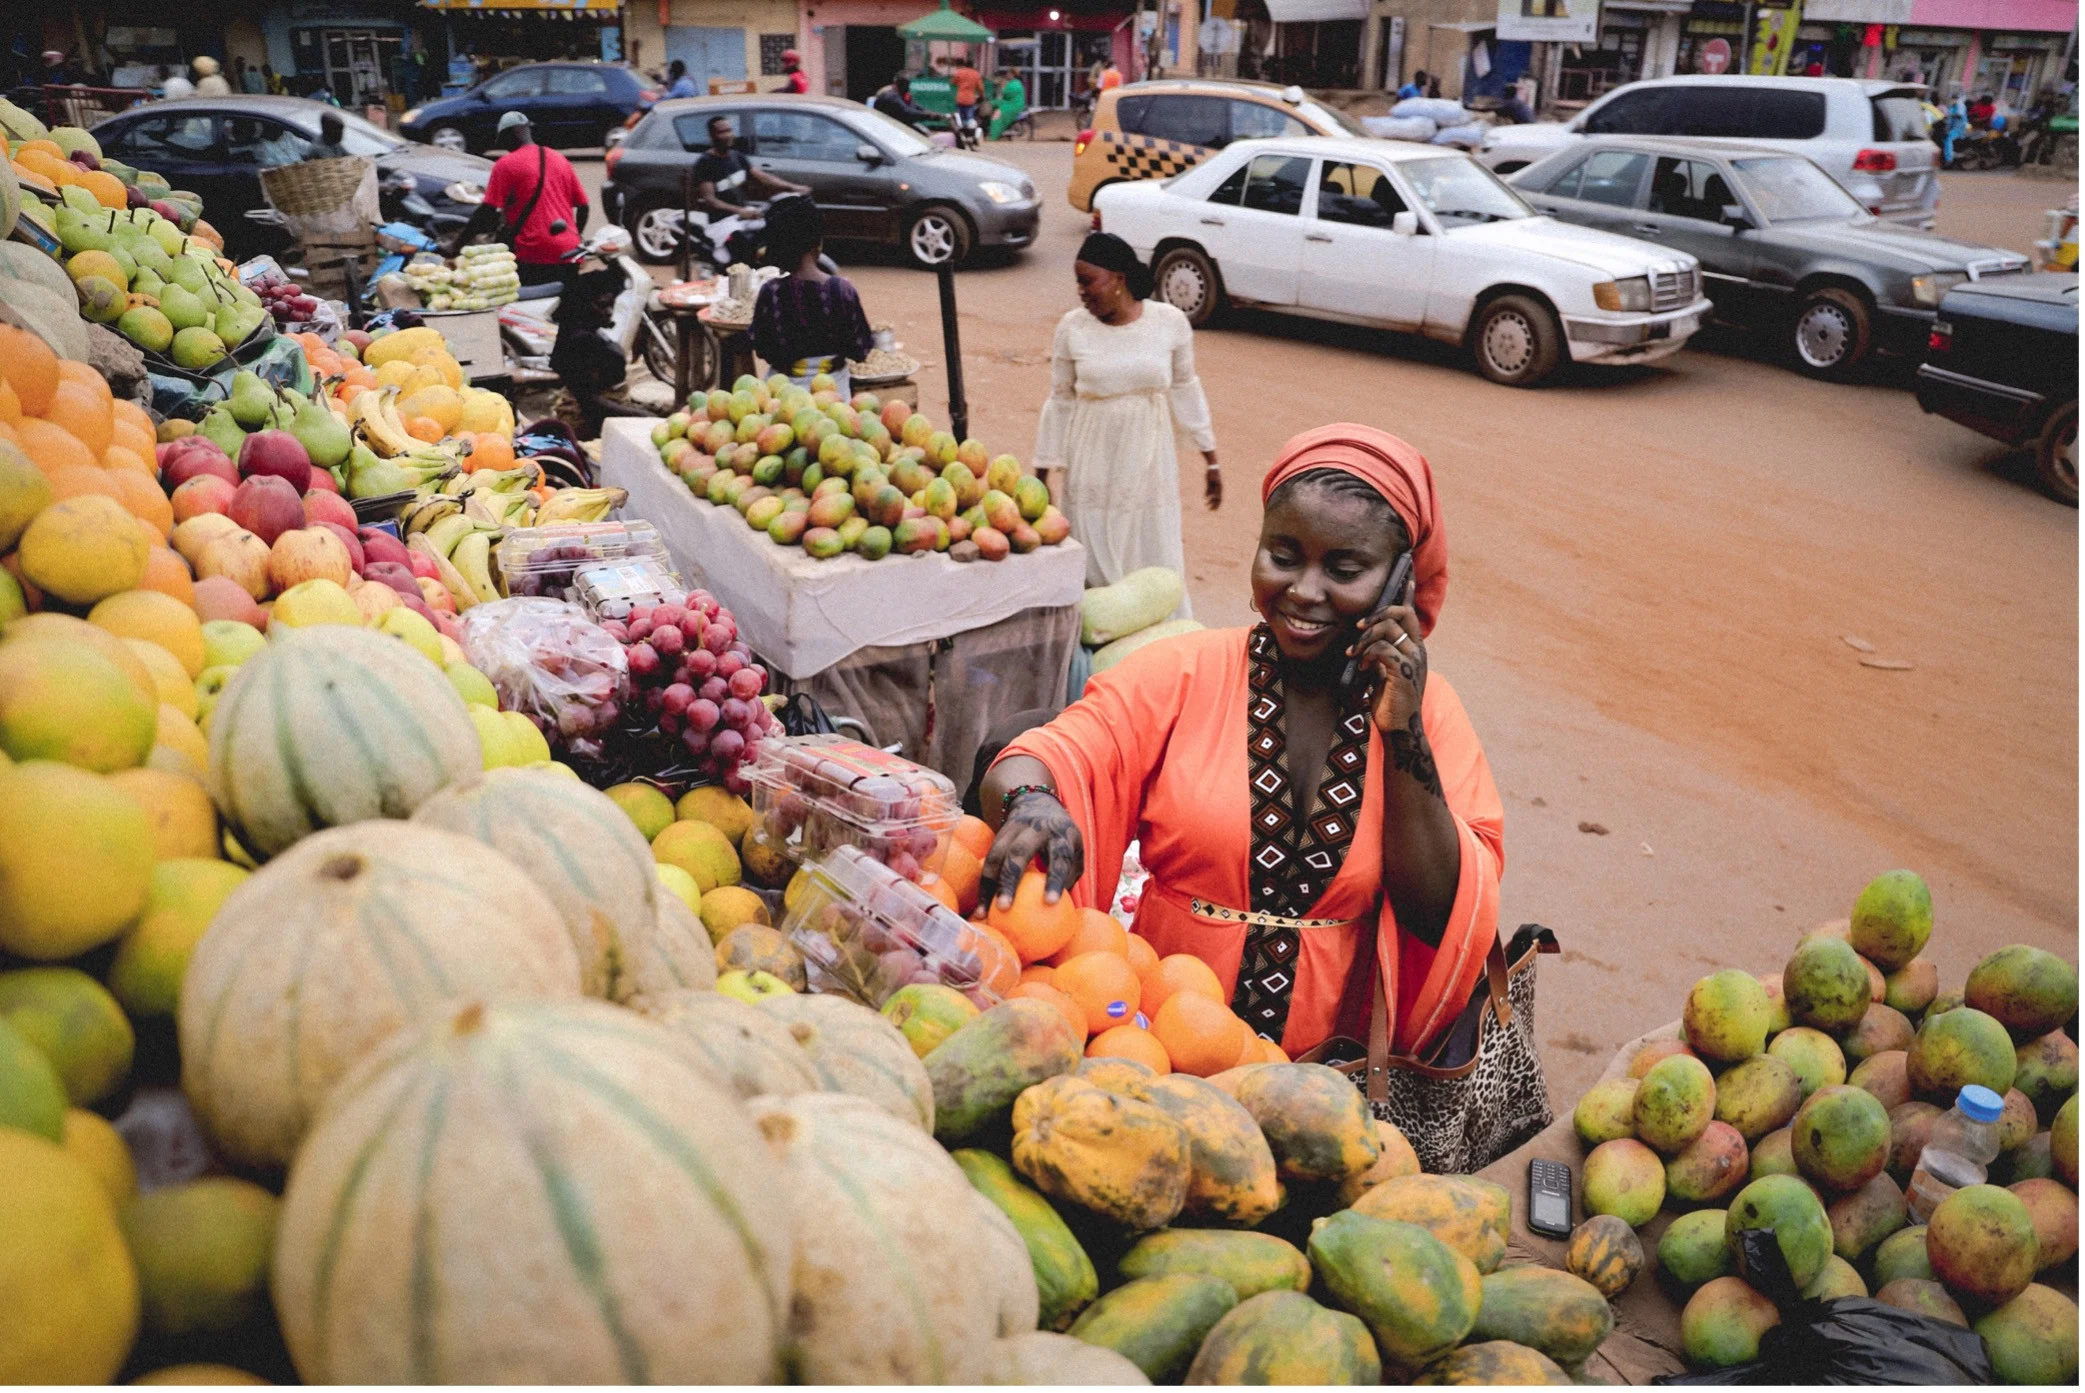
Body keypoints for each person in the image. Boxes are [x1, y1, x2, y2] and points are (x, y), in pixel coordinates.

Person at [978, 424, 1503, 1065]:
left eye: (1345, 569)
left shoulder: (1431, 714)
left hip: (1323, 1081)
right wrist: (1033, 798)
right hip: (1151, 1052)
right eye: (1283, 557)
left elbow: (1440, 914)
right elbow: (1056, 752)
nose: (1305, 592)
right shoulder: (1183, 673)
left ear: (1402, 582)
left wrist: (1403, 732)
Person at [1035, 232, 1217, 610]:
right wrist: (1042, 472)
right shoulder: (1072, 328)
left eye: (1088, 281)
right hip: (1091, 456)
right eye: (1077, 282)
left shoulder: (1169, 322)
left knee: (1149, 545)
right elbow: (1060, 400)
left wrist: (1210, 457)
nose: (1081, 291)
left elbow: (1186, 387)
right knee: (1093, 548)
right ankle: (1098, 639)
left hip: (1149, 459)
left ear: (1118, 279)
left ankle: (1158, 645)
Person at [749, 195, 874, 392]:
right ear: (818, 243)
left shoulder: (771, 293)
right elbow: (861, 350)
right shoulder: (842, 290)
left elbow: (762, 348)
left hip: (782, 393)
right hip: (834, 394)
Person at [458, 111, 591, 286]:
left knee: (529, 309)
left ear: (509, 135)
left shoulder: (506, 164)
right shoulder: (559, 159)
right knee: (567, 308)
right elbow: (584, 207)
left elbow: (487, 211)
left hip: (533, 253)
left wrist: (457, 244)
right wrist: (576, 236)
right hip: (570, 251)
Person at [691, 113, 807, 225]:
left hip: (742, 218)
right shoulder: (705, 162)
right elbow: (710, 200)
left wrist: (792, 187)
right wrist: (739, 211)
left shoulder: (737, 156)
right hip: (722, 222)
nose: (728, 135)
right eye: (722, 132)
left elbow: (764, 178)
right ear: (712, 136)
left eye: (729, 130)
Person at [941, 55, 984, 136]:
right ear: (973, 66)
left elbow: (953, 82)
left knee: (960, 117)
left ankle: (960, 133)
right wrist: (981, 96)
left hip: (960, 98)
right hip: (970, 99)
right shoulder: (976, 74)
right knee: (969, 117)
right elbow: (981, 88)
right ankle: (970, 133)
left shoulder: (960, 72)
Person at [988, 67, 1027, 139]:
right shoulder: (1013, 83)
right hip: (1010, 103)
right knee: (992, 104)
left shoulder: (1015, 84)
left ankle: (993, 135)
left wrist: (1002, 88)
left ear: (1012, 74)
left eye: (1008, 73)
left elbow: (1006, 94)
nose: (1006, 75)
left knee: (997, 114)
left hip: (1013, 105)